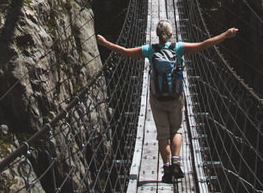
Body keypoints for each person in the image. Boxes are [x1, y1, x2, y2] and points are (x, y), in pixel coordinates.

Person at [96, 19, 237, 183]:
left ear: (157, 34)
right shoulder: (178, 48)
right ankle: (176, 163)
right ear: (170, 34)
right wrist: (225, 35)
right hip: (176, 97)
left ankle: (167, 169)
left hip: (157, 98)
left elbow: (125, 51)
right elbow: (204, 44)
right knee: (176, 130)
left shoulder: (149, 50)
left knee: (163, 134)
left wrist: (105, 44)